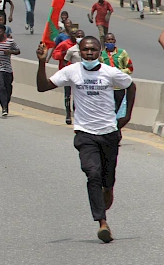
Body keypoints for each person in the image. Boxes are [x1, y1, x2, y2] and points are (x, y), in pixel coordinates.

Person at [35, 37, 135, 243]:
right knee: (92, 174)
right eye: (85, 50)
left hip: (108, 132)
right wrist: (41, 62)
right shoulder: (72, 71)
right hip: (85, 133)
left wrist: (126, 116)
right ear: (79, 51)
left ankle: (108, 189)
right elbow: (43, 87)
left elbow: (130, 86)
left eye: (93, 50)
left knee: (107, 180)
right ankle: (102, 223)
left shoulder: (109, 72)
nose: (89, 53)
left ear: (99, 51)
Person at [0, 24, 20, 116]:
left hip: (8, 69)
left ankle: (6, 103)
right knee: (1, 86)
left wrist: (10, 52)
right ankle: (3, 107)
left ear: (4, 32)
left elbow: (18, 51)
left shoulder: (10, 42)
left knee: (8, 88)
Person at [99, 33, 133, 112]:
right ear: (105, 42)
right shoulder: (101, 55)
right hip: (106, 87)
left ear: (115, 41)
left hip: (119, 87)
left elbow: (130, 68)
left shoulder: (122, 53)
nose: (110, 42)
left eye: (112, 40)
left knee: (119, 109)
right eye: (108, 40)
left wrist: (119, 73)